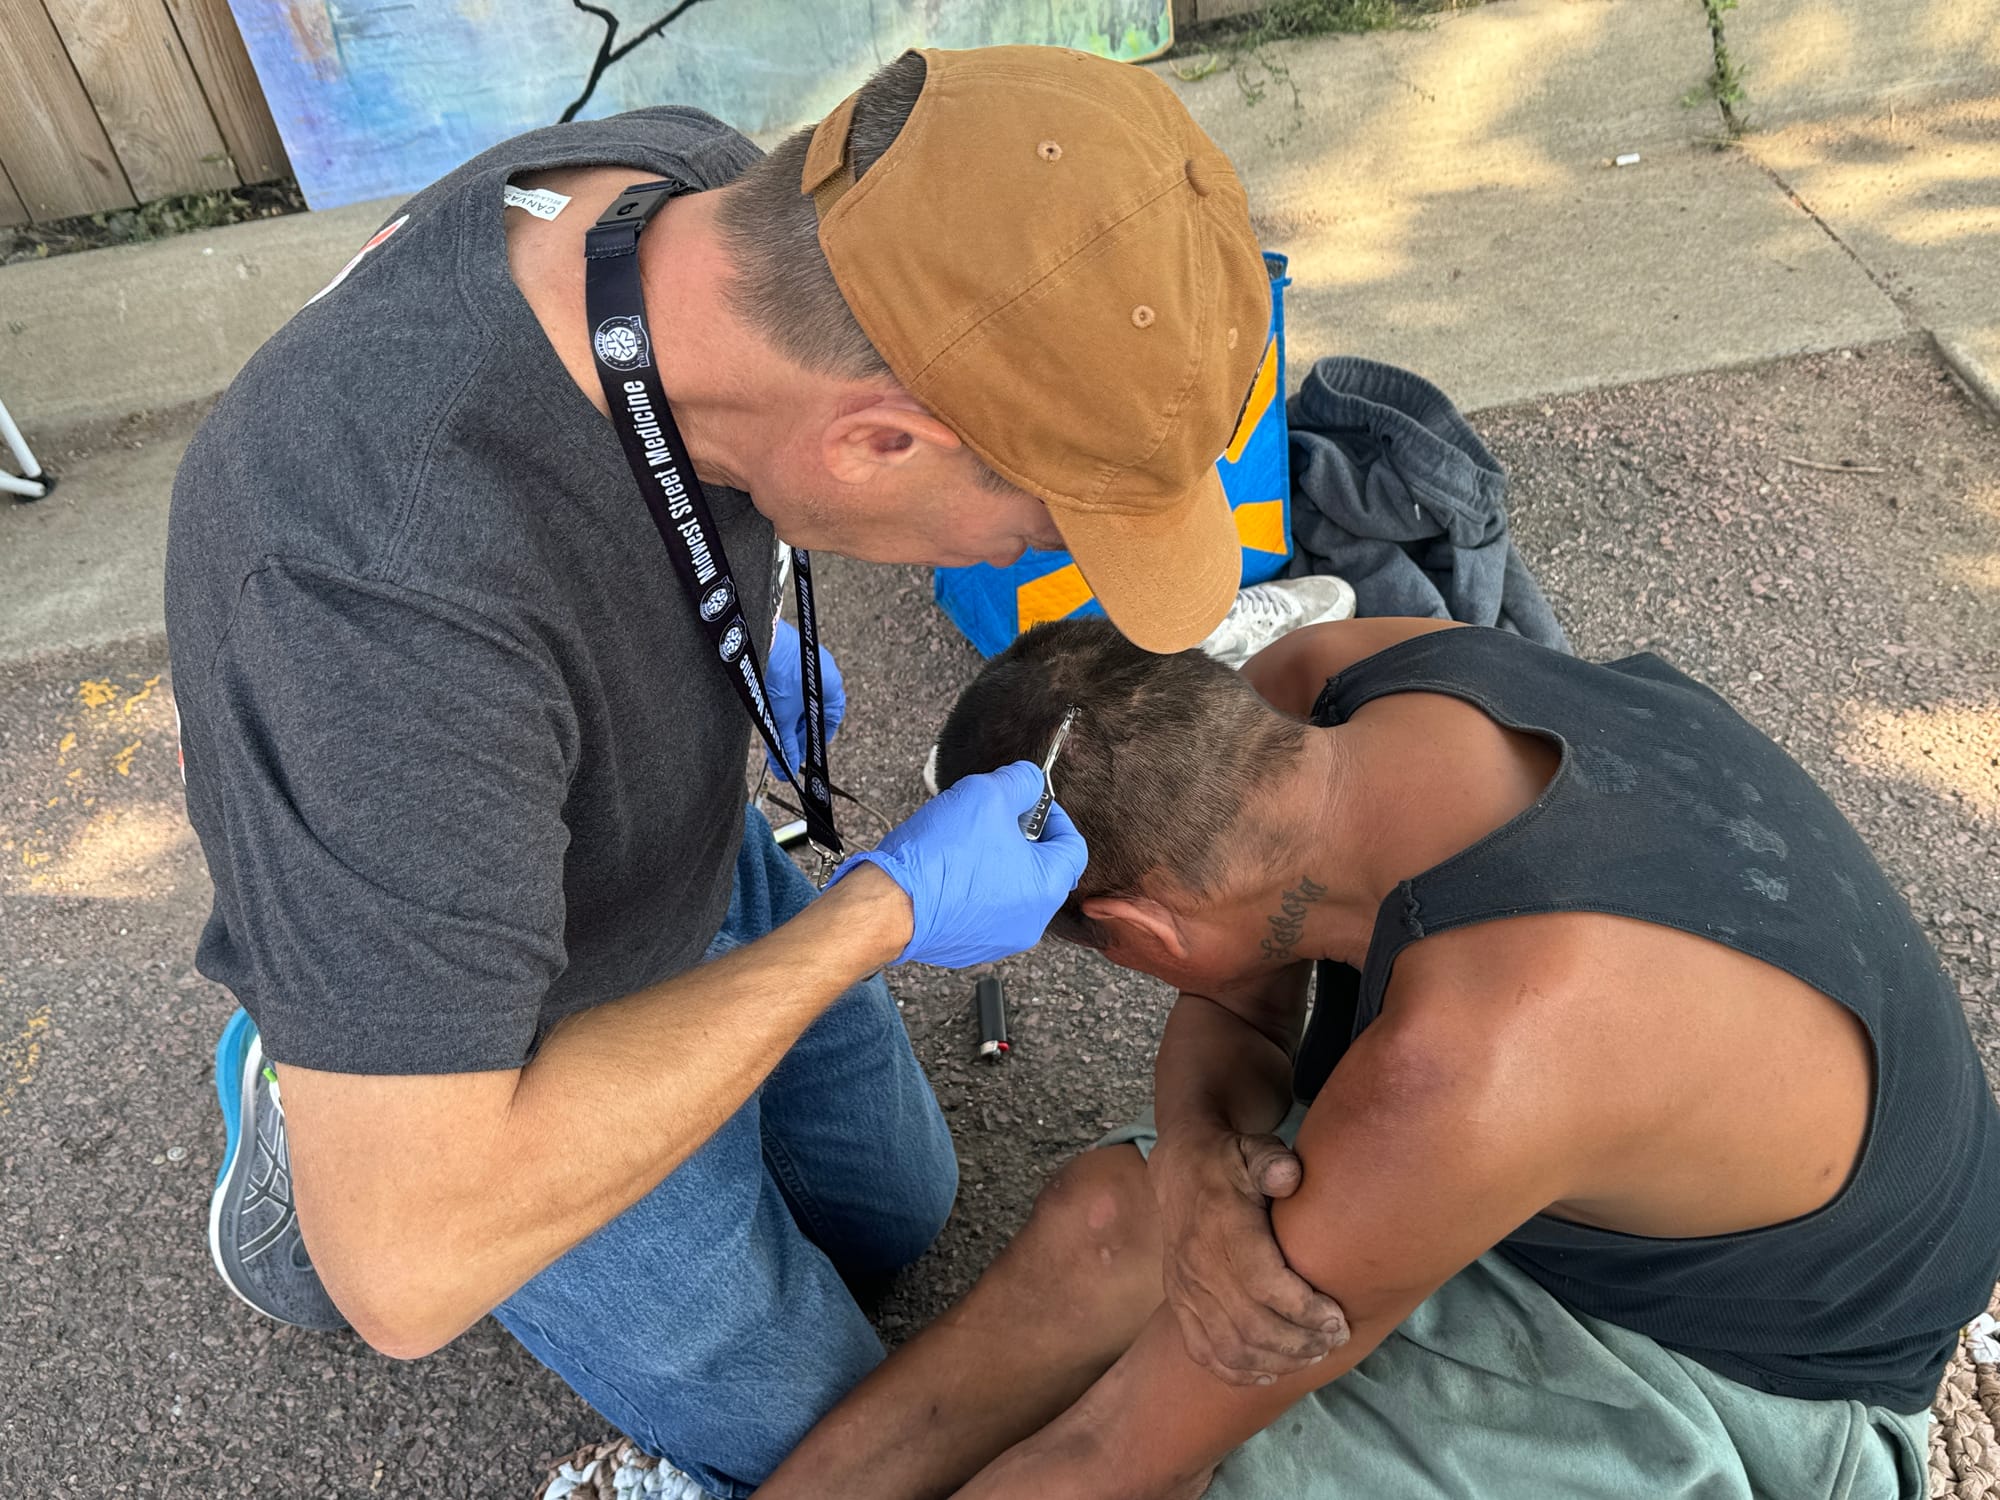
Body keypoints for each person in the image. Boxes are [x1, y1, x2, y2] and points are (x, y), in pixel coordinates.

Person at [165, 46, 1279, 1498]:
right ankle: (317, 1086)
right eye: (1037, 521)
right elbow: (409, 1272)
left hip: (648, 840)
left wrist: (721, 655)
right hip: (512, 1020)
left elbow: (672, 492)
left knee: (901, 1212)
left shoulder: (692, 198)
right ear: (881, 438)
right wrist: (871, 915)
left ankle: (390, 1000)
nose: (1031, 558)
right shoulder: (377, 597)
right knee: (840, 1434)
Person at [753, 617, 2000, 1500]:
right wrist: (1192, 1160)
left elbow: (1126, 1463)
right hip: (1569, 1164)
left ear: (1138, 933)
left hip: (1758, 1383)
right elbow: (1239, 1009)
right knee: (1108, 1220)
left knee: (1230, 1460)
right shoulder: (1320, 689)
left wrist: (1204, 1239)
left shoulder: (1473, 1056)